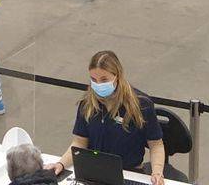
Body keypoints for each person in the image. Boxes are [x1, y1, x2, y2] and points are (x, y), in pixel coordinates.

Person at [48, 51, 167, 185]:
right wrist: (61, 164)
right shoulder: (87, 104)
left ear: (117, 76)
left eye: (104, 79)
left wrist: (157, 172)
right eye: (93, 80)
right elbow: (79, 142)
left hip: (129, 174)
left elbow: (156, 144)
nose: (98, 84)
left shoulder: (141, 104)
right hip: (94, 173)